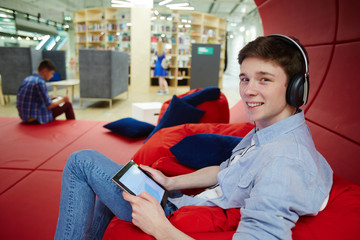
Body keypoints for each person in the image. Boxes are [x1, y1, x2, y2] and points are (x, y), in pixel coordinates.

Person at [55, 35, 333, 239]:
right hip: (187, 202)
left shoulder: (284, 160)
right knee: (121, 179)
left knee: (82, 161)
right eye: (245, 78)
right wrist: (168, 181)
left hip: (175, 219)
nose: (248, 91)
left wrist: (160, 228)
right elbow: (227, 171)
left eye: (264, 79)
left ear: (297, 88)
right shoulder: (270, 130)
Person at [16, 59, 75, 124]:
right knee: (68, 104)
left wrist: (51, 99)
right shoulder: (40, 82)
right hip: (35, 118)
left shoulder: (27, 79)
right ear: (45, 71)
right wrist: (63, 100)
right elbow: (49, 105)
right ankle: (73, 125)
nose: (52, 76)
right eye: (51, 73)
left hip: (24, 117)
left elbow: (32, 99)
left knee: (55, 102)